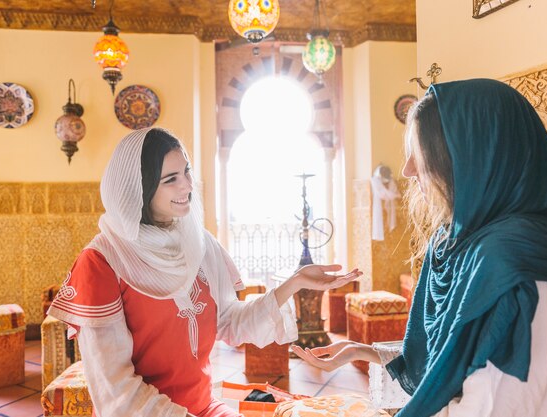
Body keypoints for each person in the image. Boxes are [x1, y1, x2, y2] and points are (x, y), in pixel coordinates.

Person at [48, 127, 362, 417]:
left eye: (186, 171)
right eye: (170, 179)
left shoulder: (198, 243)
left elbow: (229, 322)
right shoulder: (102, 261)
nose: (187, 185)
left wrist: (295, 283)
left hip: (205, 407)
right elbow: (116, 389)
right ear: (138, 188)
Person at [293, 79, 547, 417]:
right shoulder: (459, 243)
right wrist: (362, 350)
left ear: (472, 157)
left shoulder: (511, 266)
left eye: (423, 153)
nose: (407, 170)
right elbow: (447, 361)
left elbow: (492, 405)